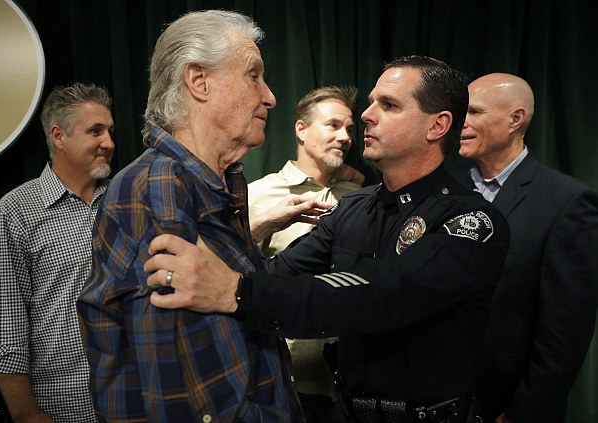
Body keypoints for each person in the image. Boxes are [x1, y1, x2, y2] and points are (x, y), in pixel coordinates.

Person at [144, 55, 511, 423]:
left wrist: (237, 292)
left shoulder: (471, 221)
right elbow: (277, 274)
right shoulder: (353, 209)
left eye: (389, 105)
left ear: (437, 125)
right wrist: (249, 241)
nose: (367, 115)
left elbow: (383, 293)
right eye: (371, 102)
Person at [76, 10, 327, 422]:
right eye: (253, 75)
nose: (270, 96)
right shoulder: (158, 186)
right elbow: (194, 395)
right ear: (198, 81)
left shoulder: (216, 183)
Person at [454, 73, 598, 423]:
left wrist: (522, 415)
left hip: (504, 406)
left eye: (474, 112)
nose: (461, 123)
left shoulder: (566, 201)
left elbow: (564, 335)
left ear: (515, 119)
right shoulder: (445, 188)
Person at [0, 82, 115, 422]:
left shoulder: (126, 198)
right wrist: (27, 415)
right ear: (58, 136)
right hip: (65, 409)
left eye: (110, 131)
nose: (109, 143)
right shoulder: (13, 214)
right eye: (95, 131)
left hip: (141, 399)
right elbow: (4, 333)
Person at [248, 86, 361, 421]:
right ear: (301, 129)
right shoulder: (259, 196)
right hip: (287, 381)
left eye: (350, 129)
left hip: (350, 382)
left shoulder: (359, 197)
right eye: (333, 125)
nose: (344, 137)